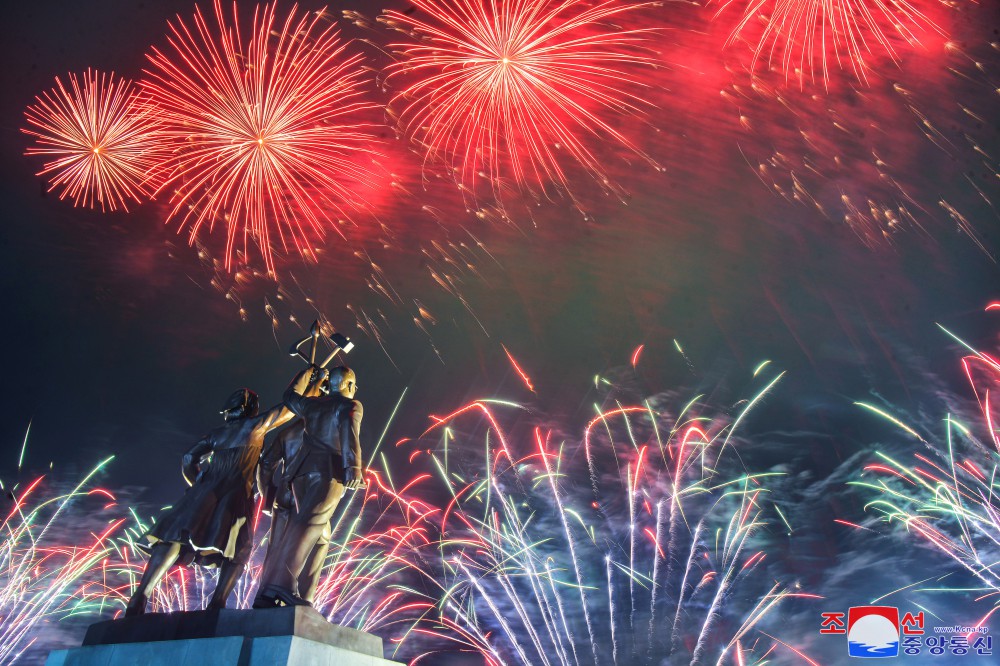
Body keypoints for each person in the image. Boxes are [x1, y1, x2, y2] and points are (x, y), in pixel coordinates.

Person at [125, 372, 318, 616]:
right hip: (236, 494)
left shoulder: (216, 434)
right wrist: (312, 383)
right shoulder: (255, 426)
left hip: (204, 491)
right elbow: (289, 408)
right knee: (238, 548)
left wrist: (198, 485)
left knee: (174, 536)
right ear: (249, 409)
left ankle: (139, 597)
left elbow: (188, 458)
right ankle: (217, 604)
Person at [253, 365, 365, 608]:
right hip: (329, 471)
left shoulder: (312, 406)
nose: (354, 390)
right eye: (353, 385)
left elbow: (289, 396)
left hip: (301, 473)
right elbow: (349, 434)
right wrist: (353, 468)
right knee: (308, 525)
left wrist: (308, 373)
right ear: (347, 385)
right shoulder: (350, 405)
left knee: (321, 534)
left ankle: (295, 596)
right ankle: (281, 586)